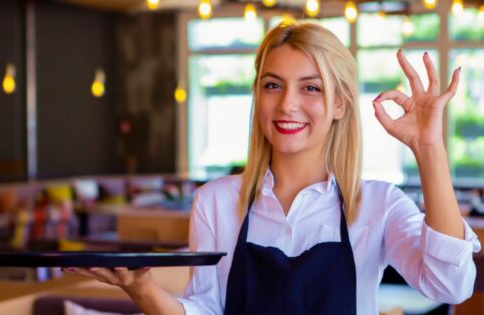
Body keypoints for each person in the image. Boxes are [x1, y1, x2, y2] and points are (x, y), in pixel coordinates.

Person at [65, 21, 481, 315]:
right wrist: (143, 291)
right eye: (272, 84)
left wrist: (429, 148)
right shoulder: (216, 201)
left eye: (311, 87)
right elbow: (207, 310)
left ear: (339, 104)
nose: (287, 104)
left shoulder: (378, 205)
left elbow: (450, 286)